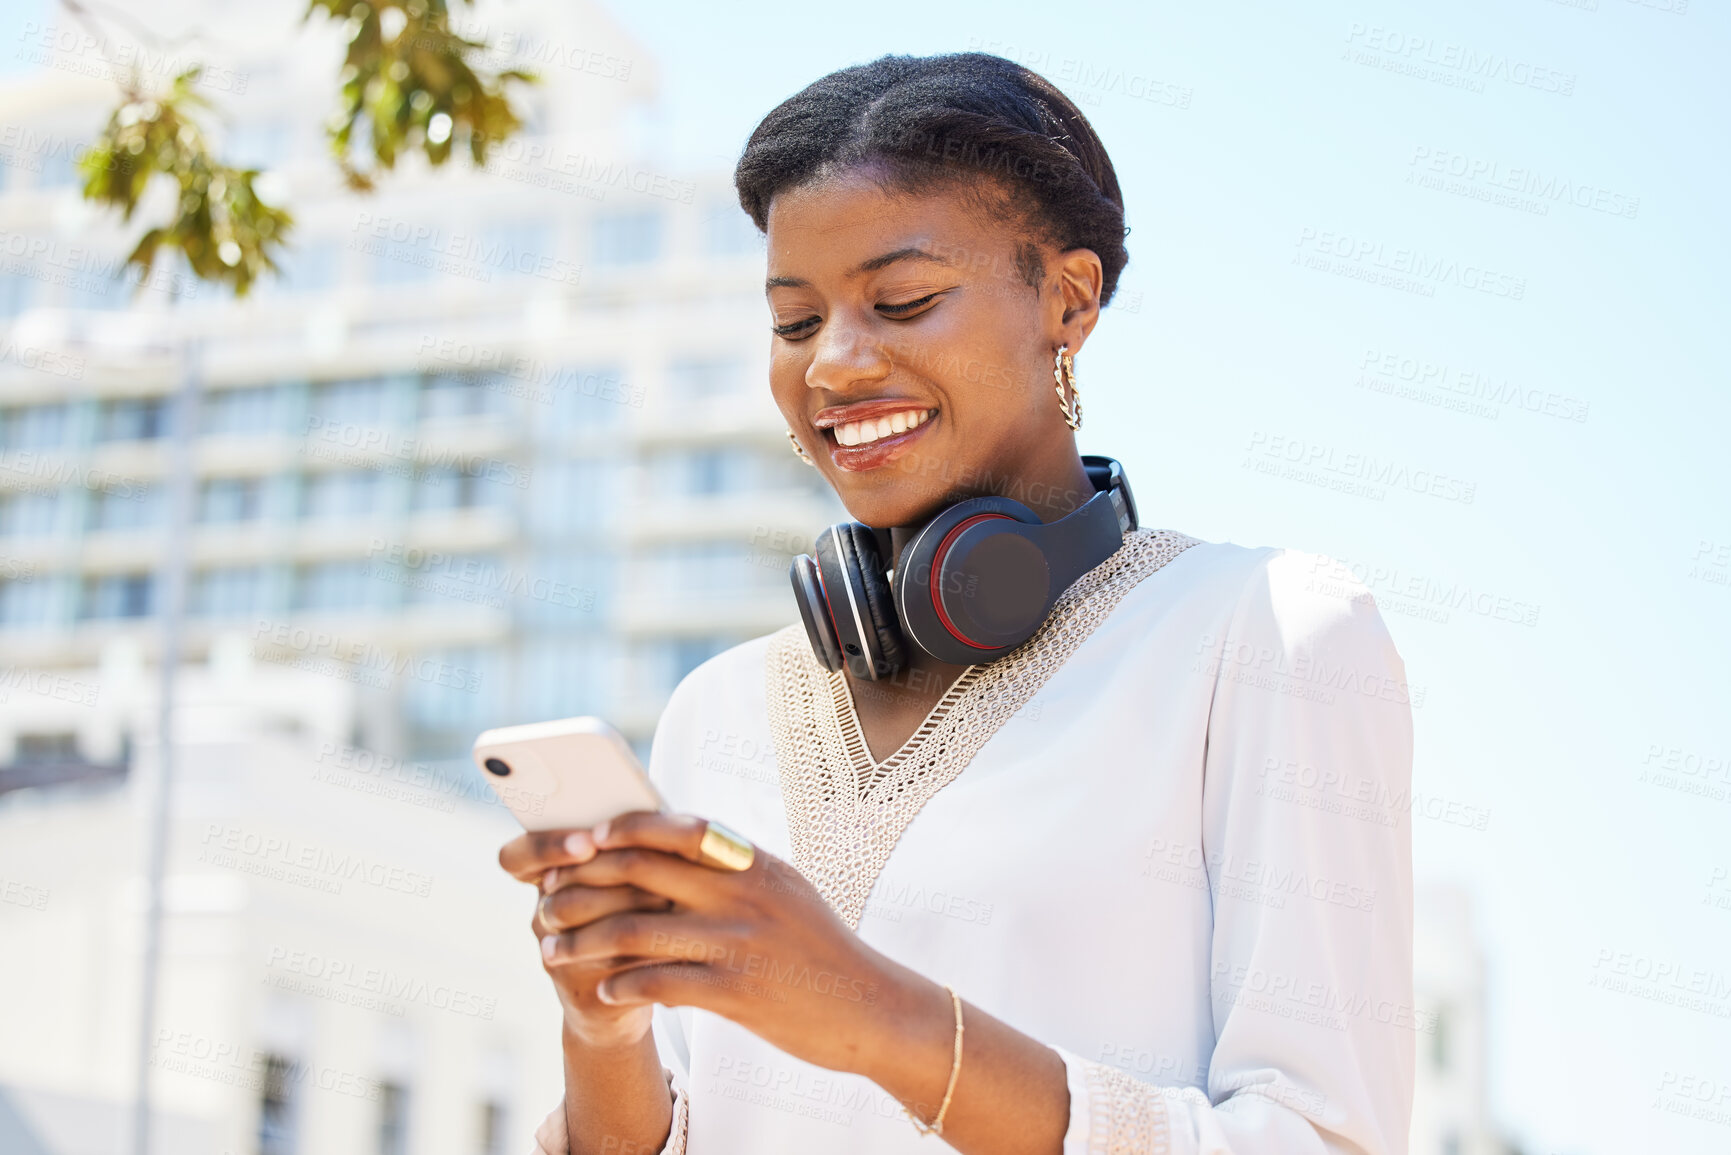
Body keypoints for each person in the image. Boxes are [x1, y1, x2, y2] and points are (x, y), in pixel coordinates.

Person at [498, 51, 1415, 1155]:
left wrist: (882, 1020)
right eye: (794, 323)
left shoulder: (1268, 633)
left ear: (1068, 301)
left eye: (903, 301)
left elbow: (1322, 1139)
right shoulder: (718, 709)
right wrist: (604, 1039)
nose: (833, 366)